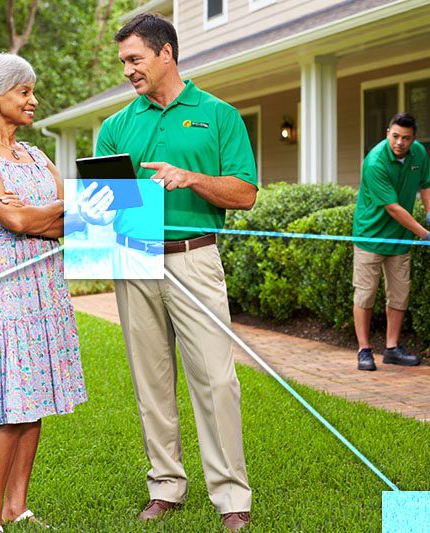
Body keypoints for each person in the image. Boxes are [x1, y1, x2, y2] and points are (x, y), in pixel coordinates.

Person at [88, 13, 257, 532]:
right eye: (123, 62)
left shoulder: (219, 115)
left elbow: (246, 194)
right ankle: (165, 485)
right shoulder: (116, 125)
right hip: (131, 254)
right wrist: (84, 216)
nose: (128, 71)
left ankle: (231, 497)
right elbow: (104, 208)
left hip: (194, 255)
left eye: (135, 59)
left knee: (215, 379)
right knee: (151, 379)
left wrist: (192, 178)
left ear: (166, 54)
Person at [0, 52, 87, 533]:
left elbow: (73, 219)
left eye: (32, 91)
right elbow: (11, 220)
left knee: (35, 396)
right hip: (4, 280)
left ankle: (17, 505)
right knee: (10, 398)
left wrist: (42, 215)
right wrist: (43, 215)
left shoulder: (37, 155)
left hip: (45, 279)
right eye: (24, 92)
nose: (34, 100)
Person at [352, 112, 430, 372]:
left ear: (413, 138)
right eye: (395, 136)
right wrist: (426, 234)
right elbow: (393, 208)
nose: (399, 143)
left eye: (406, 138)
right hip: (369, 237)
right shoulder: (375, 162)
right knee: (365, 294)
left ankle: (392, 348)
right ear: (387, 133)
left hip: (399, 239)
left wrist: (429, 211)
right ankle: (364, 350)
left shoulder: (418, 153)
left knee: (399, 294)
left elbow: (427, 182)